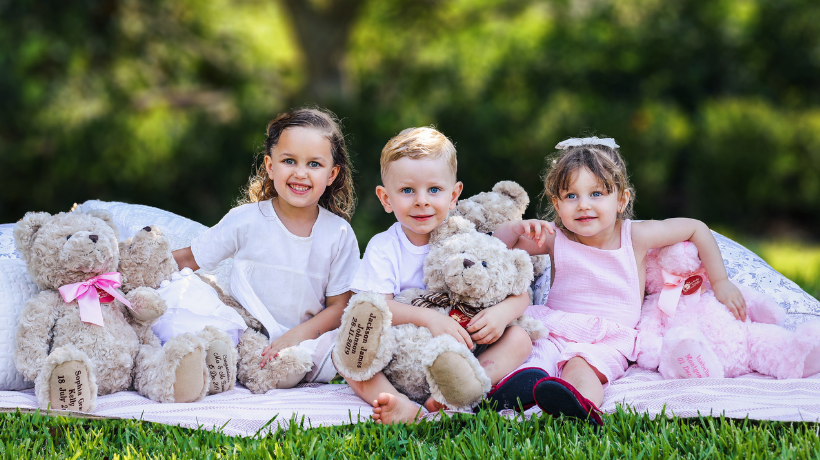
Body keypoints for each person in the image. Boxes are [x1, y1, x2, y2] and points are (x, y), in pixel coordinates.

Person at [493, 136, 747, 425]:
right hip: (556, 326)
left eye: (597, 194)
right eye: (571, 196)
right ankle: (511, 388)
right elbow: (498, 250)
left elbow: (695, 228)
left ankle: (578, 404)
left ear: (621, 200)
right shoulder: (555, 237)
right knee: (530, 352)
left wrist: (721, 281)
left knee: (582, 365)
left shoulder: (634, 236)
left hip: (607, 338)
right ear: (557, 204)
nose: (583, 205)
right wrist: (515, 227)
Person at [339, 127, 533, 424]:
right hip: (403, 353)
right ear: (385, 198)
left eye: (434, 190)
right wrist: (430, 319)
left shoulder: (468, 235)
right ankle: (402, 405)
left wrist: (503, 314)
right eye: (407, 191)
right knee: (350, 357)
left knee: (520, 338)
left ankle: (467, 387)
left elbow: (518, 289)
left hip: (465, 343)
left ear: (454, 194)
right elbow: (376, 305)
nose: (421, 201)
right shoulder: (384, 247)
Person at [172, 107, 360, 388]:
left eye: (314, 164)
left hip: (304, 337)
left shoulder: (339, 234)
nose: (300, 173)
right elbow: (190, 257)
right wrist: (129, 271)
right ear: (271, 167)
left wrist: (295, 337)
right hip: (243, 329)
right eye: (289, 161)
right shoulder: (246, 219)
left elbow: (339, 306)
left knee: (334, 346)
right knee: (188, 296)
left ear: (332, 174)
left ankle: (253, 369)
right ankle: (206, 365)